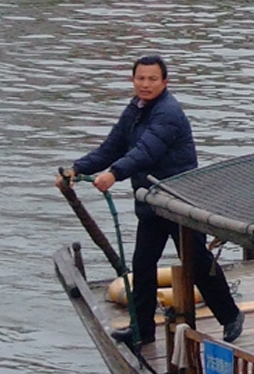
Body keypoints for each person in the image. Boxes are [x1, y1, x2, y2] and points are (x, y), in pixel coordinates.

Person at [60, 54, 244, 357]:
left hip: (180, 201)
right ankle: (142, 329)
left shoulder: (168, 113)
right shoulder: (135, 110)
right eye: (140, 78)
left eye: (152, 79)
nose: (145, 84)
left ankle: (231, 315)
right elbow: (112, 147)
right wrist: (76, 169)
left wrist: (114, 174)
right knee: (142, 265)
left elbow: (146, 151)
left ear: (165, 83)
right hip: (151, 202)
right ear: (133, 80)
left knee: (196, 260)